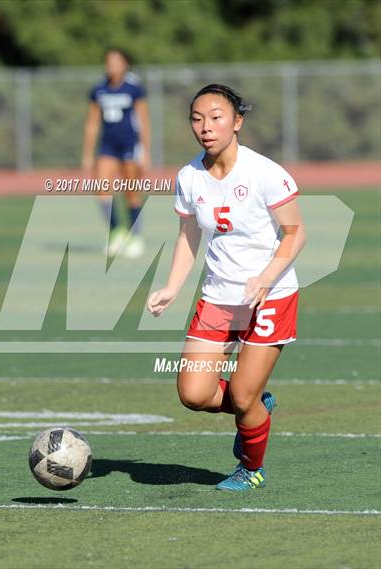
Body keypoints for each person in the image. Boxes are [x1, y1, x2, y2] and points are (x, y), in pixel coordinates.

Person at [147, 84, 306, 491]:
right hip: (219, 298)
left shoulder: (265, 173)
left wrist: (266, 277)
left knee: (243, 395)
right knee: (194, 394)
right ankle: (254, 406)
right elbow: (188, 236)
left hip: (270, 298)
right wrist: (172, 287)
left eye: (216, 117)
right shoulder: (188, 176)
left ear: (237, 122)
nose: (206, 127)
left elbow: (295, 234)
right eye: (197, 119)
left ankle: (251, 469)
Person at [81, 48, 151, 258]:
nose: (111, 66)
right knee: (102, 190)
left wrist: (146, 151)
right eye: (108, 62)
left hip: (130, 145)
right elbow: (92, 124)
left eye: (116, 61)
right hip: (107, 146)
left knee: (131, 192)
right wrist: (87, 153)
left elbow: (144, 121)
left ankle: (135, 236)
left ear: (125, 64)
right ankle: (116, 231)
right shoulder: (99, 90)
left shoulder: (134, 89)